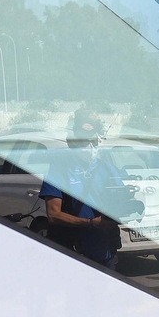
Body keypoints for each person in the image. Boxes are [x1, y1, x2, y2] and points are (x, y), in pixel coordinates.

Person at [40, 109, 125, 268]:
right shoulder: (59, 170)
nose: (88, 146)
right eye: (82, 141)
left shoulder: (107, 168)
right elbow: (53, 215)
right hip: (73, 254)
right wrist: (90, 223)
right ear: (71, 141)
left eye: (92, 140)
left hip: (105, 254)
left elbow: (121, 201)